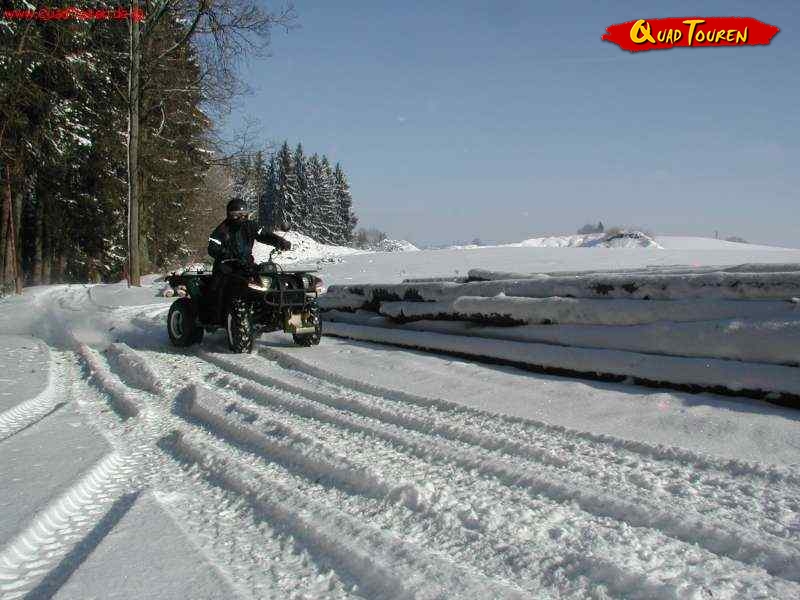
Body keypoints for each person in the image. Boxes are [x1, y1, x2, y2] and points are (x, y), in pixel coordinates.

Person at [205, 197, 291, 320]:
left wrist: (280, 242)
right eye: (236, 215)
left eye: (243, 214)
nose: (241, 218)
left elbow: (264, 235)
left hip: (246, 264)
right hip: (226, 266)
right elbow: (212, 247)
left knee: (266, 278)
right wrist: (225, 253)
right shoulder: (221, 230)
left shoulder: (250, 226)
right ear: (229, 215)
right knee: (217, 288)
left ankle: (271, 308)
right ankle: (216, 317)